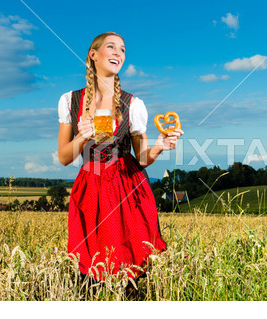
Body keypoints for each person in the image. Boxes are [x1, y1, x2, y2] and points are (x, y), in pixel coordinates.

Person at [57, 32, 183, 282]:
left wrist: (160, 145)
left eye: (123, 50)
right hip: (90, 187)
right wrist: (82, 136)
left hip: (128, 188)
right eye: (111, 47)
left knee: (132, 268)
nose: (118, 53)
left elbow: (143, 159)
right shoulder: (70, 100)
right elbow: (63, 157)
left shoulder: (133, 104)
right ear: (93, 55)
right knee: (89, 271)